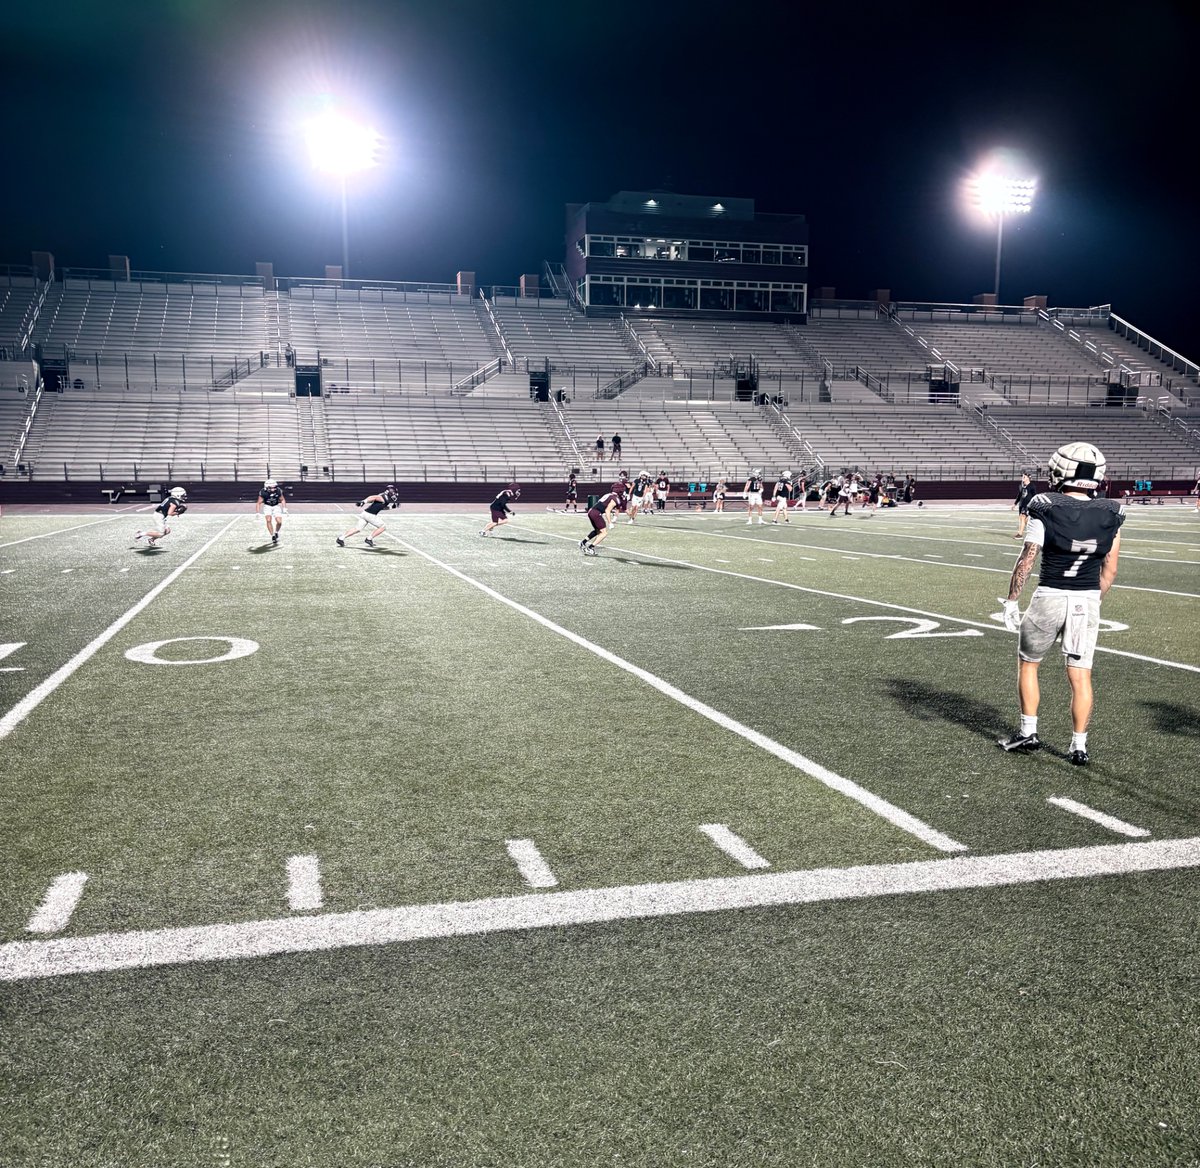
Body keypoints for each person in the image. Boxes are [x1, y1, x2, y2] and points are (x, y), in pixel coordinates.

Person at [997, 442, 1125, 766]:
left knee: (1029, 663)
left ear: (1062, 472)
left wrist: (1012, 600)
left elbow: (1028, 558)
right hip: (1086, 600)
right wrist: (1092, 599)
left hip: (1050, 595)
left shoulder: (1046, 505)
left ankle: (1029, 732)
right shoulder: (1112, 514)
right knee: (1081, 676)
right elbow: (1110, 569)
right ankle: (1078, 747)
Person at [580, 483, 626, 555]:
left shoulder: (608, 495)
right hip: (596, 513)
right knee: (604, 533)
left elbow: (603, 505)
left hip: (591, 511)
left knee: (598, 531)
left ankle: (583, 542)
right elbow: (607, 510)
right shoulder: (615, 499)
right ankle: (590, 548)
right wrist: (610, 523)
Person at [256, 478, 287, 545]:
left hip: (276, 506)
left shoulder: (278, 490)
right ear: (267, 487)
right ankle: (272, 535)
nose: (273, 489)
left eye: (274, 487)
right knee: (268, 520)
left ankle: (276, 532)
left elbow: (282, 499)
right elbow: (258, 503)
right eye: (271, 487)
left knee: (279, 522)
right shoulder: (263, 492)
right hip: (267, 506)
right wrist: (257, 512)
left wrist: (284, 508)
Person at [1011, 473, 1036, 539]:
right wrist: (1015, 504)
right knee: (1025, 520)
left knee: (1023, 518)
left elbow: (1034, 496)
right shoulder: (1021, 486)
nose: (1023, 477)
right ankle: (1033, 532)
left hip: (1027, 505)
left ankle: (1020, 534)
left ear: (1028, 478)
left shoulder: (1032, 486)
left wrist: (1034, 505)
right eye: (1022, 476)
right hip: (1021, 505)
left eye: (1024, 476)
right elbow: (1019, 496)